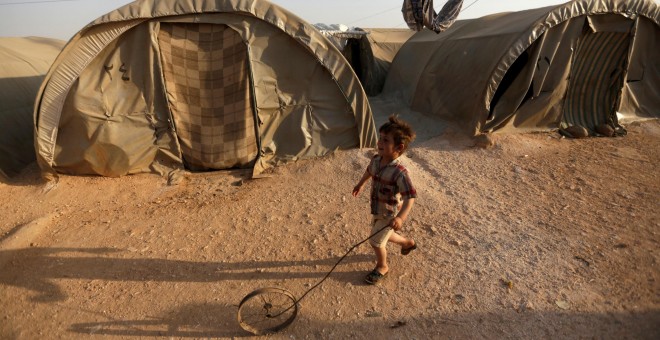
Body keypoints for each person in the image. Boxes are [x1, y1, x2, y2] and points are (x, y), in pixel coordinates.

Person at [352, 115, 418, 285]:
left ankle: (382, 266)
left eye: (385, 140)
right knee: (384, 235)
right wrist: (360, 184)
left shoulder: (400, 172)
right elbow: (369, 171)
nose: (379, 142)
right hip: (377, 208)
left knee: (375, 241)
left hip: (389, 213)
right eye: (380, 138)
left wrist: (400, 218)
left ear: (399, 147)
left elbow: (410, 196)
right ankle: (407, 243)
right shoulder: (376, 160)